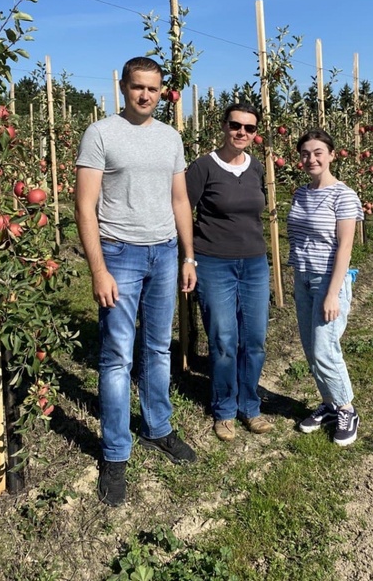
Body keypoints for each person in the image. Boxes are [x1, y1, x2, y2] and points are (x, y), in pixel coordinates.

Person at [75, 56, 197, 507]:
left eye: (153, 88)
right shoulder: (101, 133)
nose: (145, 95)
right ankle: (114, 451)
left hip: (165, 252)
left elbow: (180, 199)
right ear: (123, 87)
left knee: (159, 347)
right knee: (116, 356)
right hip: (120, 253)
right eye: (137, 87)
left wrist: (189, 256)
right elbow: (85, 207)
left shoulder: (170, 137)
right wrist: (98, 269)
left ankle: (157, 428)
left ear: (162, 91)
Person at [186, 103, 272, 442]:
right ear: (223, 126)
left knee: (254, 340)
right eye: (236, 125)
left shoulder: (258, 168)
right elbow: (183, 213)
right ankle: (223, 409)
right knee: (223, 339)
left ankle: (250, 406)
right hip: (214, 262)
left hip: (254, 262)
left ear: (255, 134)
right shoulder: (203, 168)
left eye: (249, 129)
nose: (242, 133)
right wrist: (188, 259)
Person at [286, 128, 364, 446]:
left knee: (324, 348)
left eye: (318, 152)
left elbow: (345, 247)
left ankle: (346, 408)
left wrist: (333, 292)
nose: (311, 158)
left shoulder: (344, 195)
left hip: (327, 281)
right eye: (305, 153)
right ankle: (330, 405)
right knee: (311, 348)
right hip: (302, 278)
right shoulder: (301, 193)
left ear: (332, 155)